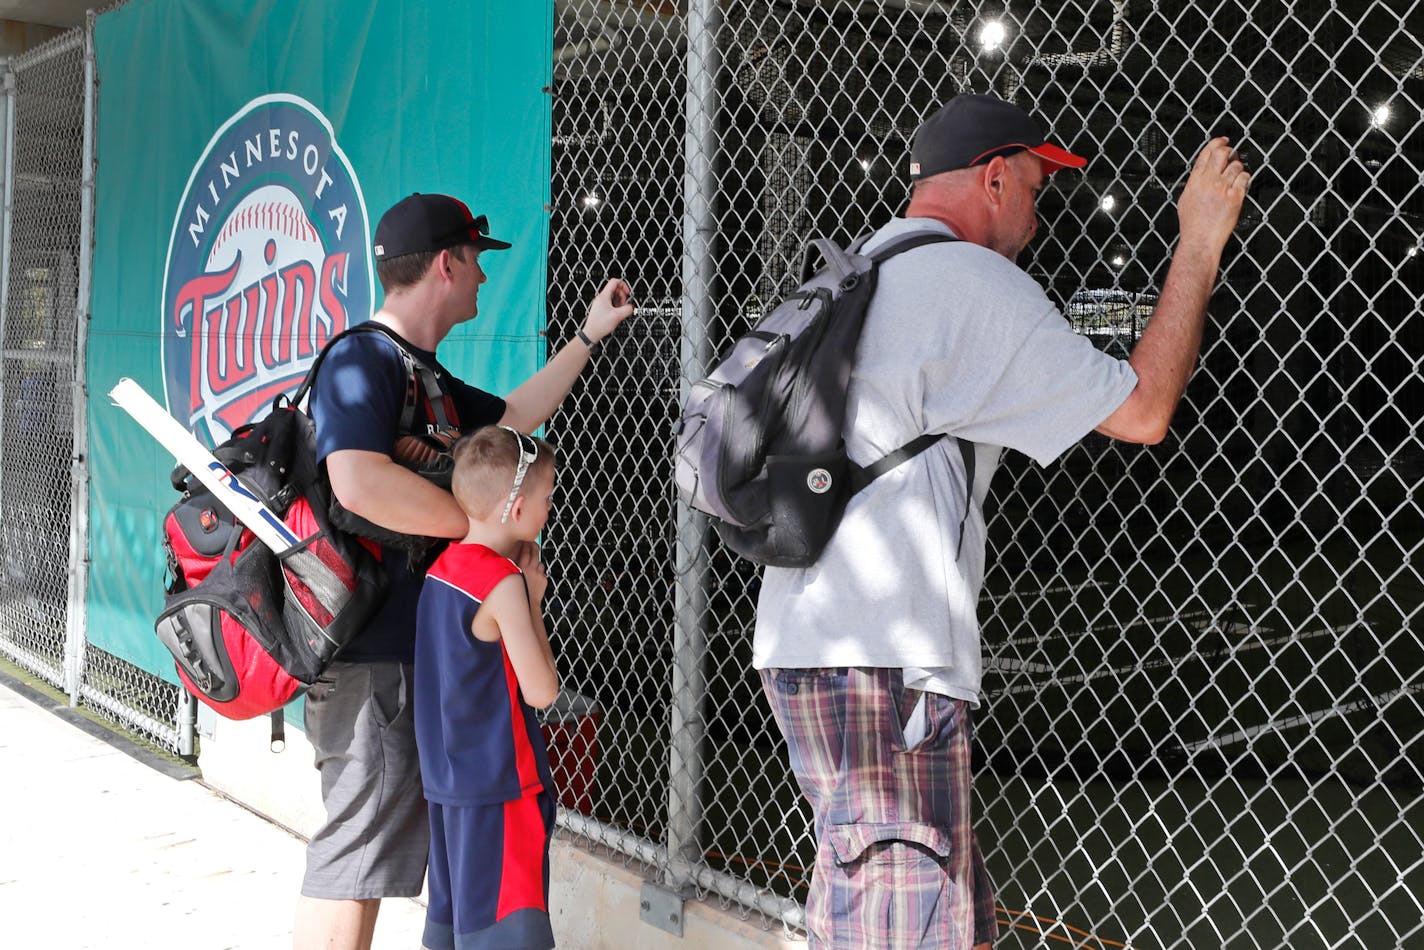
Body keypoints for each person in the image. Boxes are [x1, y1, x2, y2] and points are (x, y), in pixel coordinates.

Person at [752, 93, 1249, 949]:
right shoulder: (971, 281)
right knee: (901, 929)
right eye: (1032, 186)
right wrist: (1198, 243)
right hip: (889, 664)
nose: (1038, 210)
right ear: (991, 177)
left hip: (818, 644)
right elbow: (1143, 410)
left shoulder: (862, 265)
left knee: (927, 918)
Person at [294, 192, 634, 950]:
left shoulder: (427, 374)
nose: (484, 278)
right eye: (478, 261)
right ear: (446, 264)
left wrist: (586, 336)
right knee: (359, 851)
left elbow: (512, 421)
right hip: (368, 653)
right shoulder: (365, 358)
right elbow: (356, 479)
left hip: (405, 654)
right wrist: (477, 531)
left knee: (381, 853)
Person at [414, 425, 560, 950]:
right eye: (546, 498)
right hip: (500, 787)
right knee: (504, 931)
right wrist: (535, 602)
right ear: (517, 510)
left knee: (459, 930)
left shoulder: (439, 568)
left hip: (448, 786)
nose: (550, 509)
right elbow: (542, 690)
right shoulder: (502, 582)